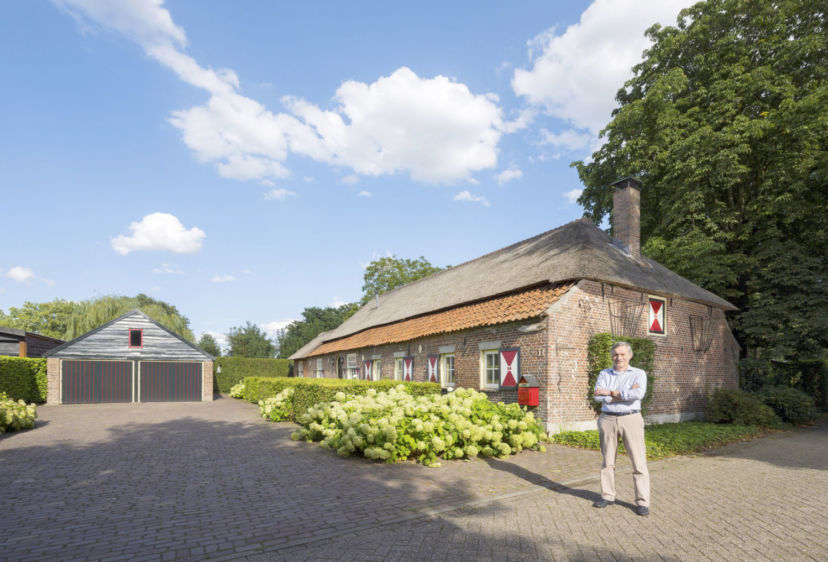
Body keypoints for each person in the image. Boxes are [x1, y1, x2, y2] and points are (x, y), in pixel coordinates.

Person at [592, 341, 650, 516]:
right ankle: (607, 496)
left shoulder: (638, 373)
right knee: (607, 461)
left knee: (638, 462)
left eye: (623, 354)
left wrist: (609, 392)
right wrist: (623, 394)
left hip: (631, 418)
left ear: (629, 356)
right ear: (612, 356)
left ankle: (642, 502)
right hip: (607, 419)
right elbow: (597, 396)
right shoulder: (604, 373)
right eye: (616, 354)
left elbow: (638, 394)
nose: (619, 357)